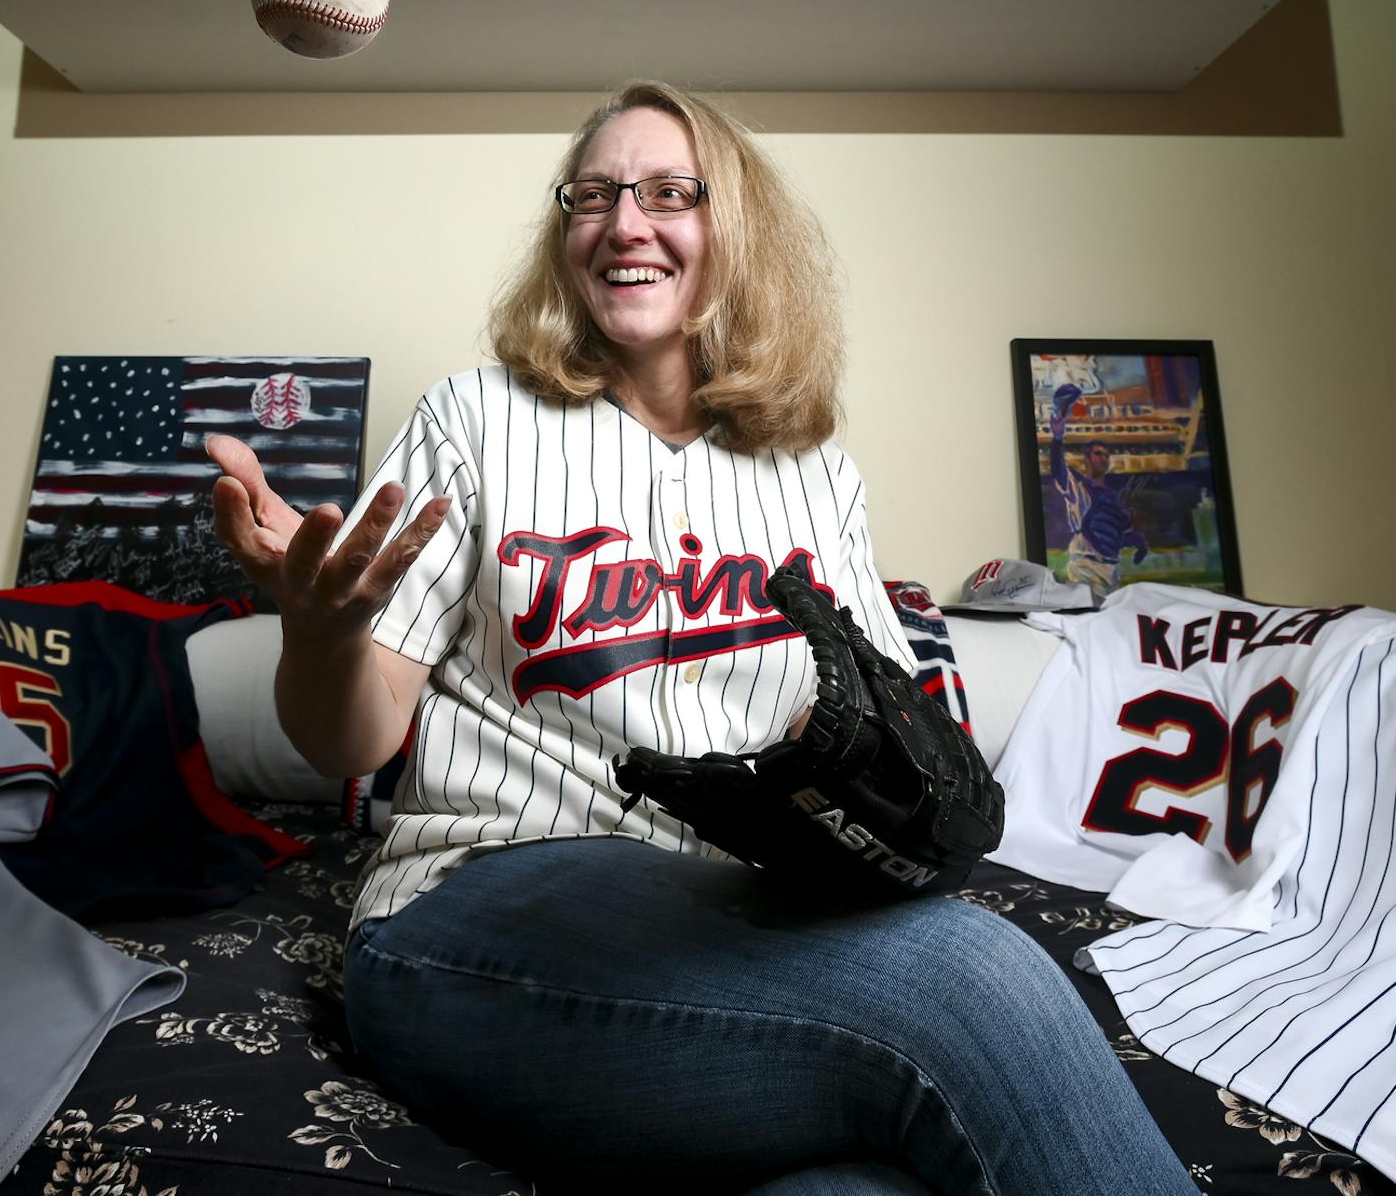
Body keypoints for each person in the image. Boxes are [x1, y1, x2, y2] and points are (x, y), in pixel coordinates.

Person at [205, 83, 1200, 1196]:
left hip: (741, 922)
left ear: (736, 231)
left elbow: (894, 738)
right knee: (975, 978)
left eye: (669, 193)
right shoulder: (474, 417)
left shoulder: (815, 471)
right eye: (594, 195)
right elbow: (348, 740)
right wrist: (322, 633)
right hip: (477, 912)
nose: (624, 222)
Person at [1048, 382, 1148, 596]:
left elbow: (1111, 533)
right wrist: (1057, 439)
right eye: (1097, 454)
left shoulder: (1111, 497)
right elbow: (1057, 468)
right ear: (1087, 458)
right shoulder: (1079, 488)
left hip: (1110, 571)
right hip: (1085, 568)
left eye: (1106, 455)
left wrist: (1136, 541)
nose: (1103, 458)